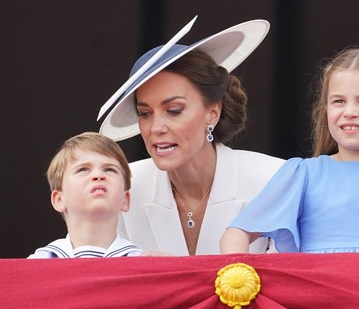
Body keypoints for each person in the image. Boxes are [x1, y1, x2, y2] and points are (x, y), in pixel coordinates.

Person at [220, 46, 359, 254]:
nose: (349, 111)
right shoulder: (303, 173)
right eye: (338, 101)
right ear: (326, 109)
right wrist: (239, 279)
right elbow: (236, 233)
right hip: (318, 295)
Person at [98, 17, 284, 255]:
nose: (156, 128)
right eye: (144, 113)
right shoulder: (122, 185)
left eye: (174, 111)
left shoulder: (273, 180)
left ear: (212, 113)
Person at [29, 132, 143, 258]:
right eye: (83, 169)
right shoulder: (37, 263)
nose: (98, 175)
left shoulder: (143, 264)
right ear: (59, 199)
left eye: (110, 169)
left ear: (125, 199)